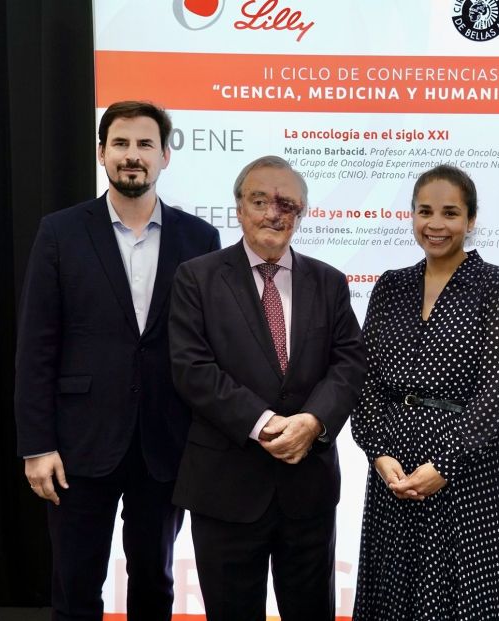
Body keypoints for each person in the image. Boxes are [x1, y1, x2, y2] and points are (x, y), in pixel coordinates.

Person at [15, 100, 221, 620]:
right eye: (122, 144)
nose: (133, 156)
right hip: (77, 444)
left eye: (145, 144)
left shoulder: (200, 239)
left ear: (165, 156)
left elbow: (208, 348)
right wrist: (37, 445)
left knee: (155, 581)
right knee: (76, 583)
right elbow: (37, 345)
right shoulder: (60, 232)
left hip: (164, 441)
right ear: (102, 153)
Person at [168, 155, 367, 621]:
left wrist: (313, 422)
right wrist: (265, 425)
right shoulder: (197, 278)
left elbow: (349, 361)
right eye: (260, 200)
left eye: (287, 204)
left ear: (301, 214)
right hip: (226, 488)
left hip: (308, 487)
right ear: (238, 208)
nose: (273, 213)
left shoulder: (330, 282)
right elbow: (191, 368)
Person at [351, 165, 499, 620]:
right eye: (425, 211)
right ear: (411, 216)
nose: (436, 224)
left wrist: (446, 464)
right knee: (396, 595)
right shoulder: (390, 286)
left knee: (471, 598)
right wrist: (377, 452)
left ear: (471, 220)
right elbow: (366, 379)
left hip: (473, 470)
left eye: (450, 212)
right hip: (396, 470)